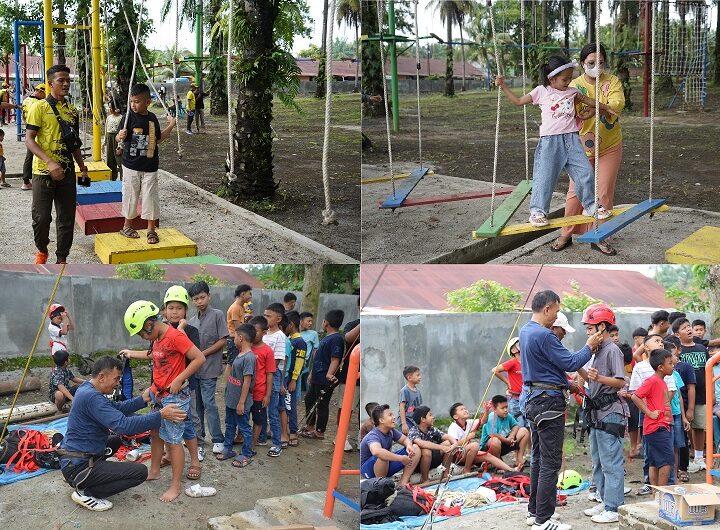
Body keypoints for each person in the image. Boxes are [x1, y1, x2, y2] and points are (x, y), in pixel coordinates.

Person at [495, 55, 616, 228]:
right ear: (551, 78)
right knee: (545, 177)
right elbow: (518, 101)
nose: (568, 82)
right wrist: (503, 86)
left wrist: (605, 107)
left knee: (585, 173)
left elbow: (588, 100)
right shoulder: (541, 91)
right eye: (564, 79)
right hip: (550, 141)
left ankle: (591, 206)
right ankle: (538, 211)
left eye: (570, 78)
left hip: (573, 139)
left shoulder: (572, 92)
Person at [519, 290, 603, 530]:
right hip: (547, 403)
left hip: (533, 400)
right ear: (547, 308)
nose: (556, 316)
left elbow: (542, 369)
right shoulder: (544, 335)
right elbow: (570, 363)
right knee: (550, 462)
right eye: (556, 311)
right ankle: (543, 520)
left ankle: (535, 512)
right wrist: (589, 346)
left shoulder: (526, 331)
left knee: (538, 458)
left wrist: (568, 384)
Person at [59, 356, 186, 511]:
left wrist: (142, 399)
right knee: (139, 472)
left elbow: (116, 408)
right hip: (78, 465)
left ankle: (88, 477)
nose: (118, 382)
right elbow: (123, 425)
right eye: (116, 378)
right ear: (102, 377)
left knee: (114, 441)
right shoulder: (92, 397)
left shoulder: (87, 387)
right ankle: (86, 491)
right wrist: (160, 415)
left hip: (73, 457)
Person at [119, 299, 204, 502]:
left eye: (142, 333)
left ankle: (175, 485)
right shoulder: (156, 339)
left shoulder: (175, 336)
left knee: (174, 441)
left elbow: (199, 358)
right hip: (158, 393)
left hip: (175, 396)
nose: (142, 337)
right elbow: (156, 358)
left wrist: (179, 378)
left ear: (150, 323)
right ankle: (155, 470)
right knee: (155, 433)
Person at [553, 43, 626, 256]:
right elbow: (563, 108)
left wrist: (591, 109)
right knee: (576, 193)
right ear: (583, 63)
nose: (596, 66)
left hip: (609, 145)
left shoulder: (612, 82)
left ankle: (600, 236)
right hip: (580, 148)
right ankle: (566, 234)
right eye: (591, 63)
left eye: (601, 63)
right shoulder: (572, 85)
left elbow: (617, 104)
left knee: (603, 192)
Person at [25, 64, 89, 264]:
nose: (66, 84)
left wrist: (82, 166)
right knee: (41, 218)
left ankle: (62, 258)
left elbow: (73, 142)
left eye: (68, 80)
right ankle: (42, 249)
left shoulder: (72, 110)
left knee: (66, 219)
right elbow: (29, 139)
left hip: (67, 172)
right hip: (43, 172)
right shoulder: (39, 107)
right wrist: (50, 162)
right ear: (50, 83)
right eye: (61, 80)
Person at [580, 303, 626, 524]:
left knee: (611, 461)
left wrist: (598, 378)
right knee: (598, 460)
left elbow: (619, 382)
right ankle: (604, 498)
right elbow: (590, 378)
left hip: (610, 412)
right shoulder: (596, 351)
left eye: (590, 328)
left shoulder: (612, 350)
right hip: (597, 413)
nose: (587, 332)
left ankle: (614, 507)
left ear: (602, 326)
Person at [116, 83, 176, 245]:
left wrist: (171, 125)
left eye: (136, 101)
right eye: (131, 102)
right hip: (130, 165)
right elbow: (118, 138)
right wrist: (119, 135)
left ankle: (151, 229)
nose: (133, 105)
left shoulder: (152, 118)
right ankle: (127, 226)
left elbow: (157, 139)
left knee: (150, 197)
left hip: (150, 166)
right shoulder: (127, 117)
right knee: (130, 195)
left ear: (147, 102)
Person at [161, 285, 204, 477]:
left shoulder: (191, 331)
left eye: (179, 308)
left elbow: (194, 355)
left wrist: (182, 329)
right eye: (171, 308)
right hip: (166, 388)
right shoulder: (160, 330)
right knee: (167, 423)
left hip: (186, 386)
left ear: (186, 311)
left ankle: (195, 462)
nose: (175, 312)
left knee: (188, 423)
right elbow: (154, 355)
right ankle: (170, 455)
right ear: (164, 310)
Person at [629, 333, 678, 495]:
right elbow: (636, 396)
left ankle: (656, 494)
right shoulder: (652, 380)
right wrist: (649, 412)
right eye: (670, 363)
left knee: (655, 461)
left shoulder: (662, 381)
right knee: (666, 461)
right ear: (660, 367)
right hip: (656, 427)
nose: (673, 366)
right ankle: (662, 494)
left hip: (660, 426)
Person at [186, 281, 227, 458]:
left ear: (209, 296)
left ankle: (218, 439)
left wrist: (202, 354)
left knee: (209, 403)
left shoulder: (217, 315)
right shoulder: (191, 322)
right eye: (196, 299)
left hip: (210, 368)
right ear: (192, 301)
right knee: (198, 407)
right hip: (195, 370)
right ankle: (199, 441)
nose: (200, 301)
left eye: (202, 297)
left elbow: (223, 341)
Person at [301, 309, 345, 441]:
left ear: (326, 323)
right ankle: (310, 426)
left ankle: (319, 432)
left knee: (322, 404)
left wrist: (330, 374)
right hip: (317, 376)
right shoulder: (327, 338)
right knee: (309, 399)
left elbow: (335, 359)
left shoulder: (336, 339)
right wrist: (311, 374)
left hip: (325, 379)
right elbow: (318, 358)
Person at [673, 317, 710, 471]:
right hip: (682, 396)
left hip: (701, 394)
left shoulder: (702, 348)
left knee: (699, 426)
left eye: (689, 326)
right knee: (686, 426)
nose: (688, 329)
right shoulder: (677, 351)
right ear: (676, 334)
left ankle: (699, 457)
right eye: (684, 328)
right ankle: (688, 457)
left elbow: (708, 369)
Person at [218, 324, 256, 468]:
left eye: (234, 338)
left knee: (244, 427)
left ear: (241, 338)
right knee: (230, 425)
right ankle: (228, 448)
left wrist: (241, 402)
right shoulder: (239, 354)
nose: (232, 340)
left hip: (241, 402)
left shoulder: (249, 358)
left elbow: (247, 382)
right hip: (231, 400)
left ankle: (247, 453)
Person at [360, 404, 421, 487]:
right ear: (381, 420)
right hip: (369, 471)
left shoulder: (391, 431)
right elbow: (376, 451)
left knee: (415, 448)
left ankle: (403, 483)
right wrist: (401, 458)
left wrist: (409, 446)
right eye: (390, 415)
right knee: (383, 455)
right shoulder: (373, 435)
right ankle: (381, 486)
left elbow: (405, 439)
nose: (394, 417)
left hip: (386, 465)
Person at [447, 402, 516, 474]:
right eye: (461, 409)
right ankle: (466, 470)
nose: (465, 410)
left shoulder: (469, 422)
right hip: (458, 456)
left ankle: (511, 470)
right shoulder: (453, 427)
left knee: (487, 455)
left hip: (468, 453)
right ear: (455, 416)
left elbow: (483, 421)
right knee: (474, 445)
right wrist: (468, 437)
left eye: (465, 408)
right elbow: (454, 445)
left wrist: (486, 410)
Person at [664, 338, 692, 483]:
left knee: (676, 447)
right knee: (667, 447)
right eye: (672, 355)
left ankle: (674, 476)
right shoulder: (660, 375)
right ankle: (666, 477)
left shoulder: (676, 374)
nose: (675, 358)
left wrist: (683, 417)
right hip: (664, 415)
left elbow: (680, 397)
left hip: (676, 414)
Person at [261, 303, 287, 456]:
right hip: (262, 375)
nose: (265, 318)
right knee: (261, 409)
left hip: (273, 376)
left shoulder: (280, 337)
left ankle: (277, 443)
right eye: (264, 315)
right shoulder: (264, 334)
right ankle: (262, 437)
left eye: (268, 316)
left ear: (278, 318)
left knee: (273, 412)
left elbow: (276, 363)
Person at [408, 406, 458, 483]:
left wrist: (454, 443)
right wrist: (441, 448)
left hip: (432, 460)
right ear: (423, 419)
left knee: (448, 443)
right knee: (426, 451)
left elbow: (447, 436)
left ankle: (445, 474)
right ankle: (425, 479)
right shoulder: (413, 430)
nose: (433, 417)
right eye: (430, 415)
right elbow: (422, 444)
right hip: (419, 464)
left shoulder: (431, 429)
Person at [479, 395, 529, 471]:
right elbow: (492, 434)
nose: (505, 410)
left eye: (506, 407)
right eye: (502, 408)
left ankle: (519, 459)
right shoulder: (492, 417)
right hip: (489, 449)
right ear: (494, 409)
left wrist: (511, 436)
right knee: (495, 440)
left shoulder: (507, 416)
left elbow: (515, 426)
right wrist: (507, 440)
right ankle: (499, 464)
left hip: (504, 443)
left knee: (524, 431)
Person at [248, 315, 275, 453]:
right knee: (242, 416)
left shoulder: (267, 351)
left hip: (259, 393)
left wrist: (268, 395)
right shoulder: (246, 347)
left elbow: (270, 374)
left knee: (258, 420)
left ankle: (253, 443)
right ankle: (243, 438)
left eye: (256, 331)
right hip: (245, 392)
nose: (252, 334)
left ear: (264, 332)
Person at [336, 311, 360, 451]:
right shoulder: (352, 325)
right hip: (350, 375)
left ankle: (361, 436)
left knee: (367, 409)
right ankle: (341, 437)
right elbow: (348, 338)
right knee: (345, 407)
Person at [283, 311, 307, 448]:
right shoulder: (290, 339)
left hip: (291, 378)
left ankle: (293, 432)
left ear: (291, 325)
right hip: (286, 377)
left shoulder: (300, 342)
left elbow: (300, 362)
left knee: (290, 405)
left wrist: (293, 379)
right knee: (283, 405)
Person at [492, 337, 525, 427]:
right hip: (515, 400)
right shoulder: (513, 362)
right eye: (519, 344)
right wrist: (507, 382)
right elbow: (495, 370)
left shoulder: (526, 362)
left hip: (526, 398)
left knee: (529, 425)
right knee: (517, 425)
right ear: (513, 350)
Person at [20, 83, 47, 190]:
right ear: (40, 91)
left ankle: (27, 180)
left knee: (30, 155)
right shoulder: (37, 103)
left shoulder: (26, 100)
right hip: (36, 131)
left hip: (29, 128)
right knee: (32, 155)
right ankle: (26, 181)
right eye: (44, 94)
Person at [226, 284, 253, 370]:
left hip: (238, 339)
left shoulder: (241, 307)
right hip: (234, 339)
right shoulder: (235, 308)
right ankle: (227, 383)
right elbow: (238, 328)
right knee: (231, 364)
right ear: (243, 294)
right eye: (249, 294)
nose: (250, 297)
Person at [299, 311, 320, 395]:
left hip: (305, 365)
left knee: (307, 392)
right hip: (294, 363)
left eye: (311, 321)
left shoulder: (313, 334)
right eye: (308, 321)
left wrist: (313, 367)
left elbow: (316, 351)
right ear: (301, 321)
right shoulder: (294, 333)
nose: (310, 323)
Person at [398, 365, 423, 435]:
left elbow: (419, 408)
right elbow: (401, 408)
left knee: (416, 441)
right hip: (407, 420)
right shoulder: (404, 391)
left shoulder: (418, 391)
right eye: (418, 375)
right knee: (409, 441)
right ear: (409, 378)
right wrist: (404, 424)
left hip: (414, 421)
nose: (420, 377)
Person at [104, 100, 123, 181]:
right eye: (109, 107)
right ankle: (112, 179)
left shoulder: (121, 118)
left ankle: (123, 179)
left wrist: (120, 146)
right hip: (109, 138)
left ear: (115, 108)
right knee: (110, 160)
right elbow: (106, 130)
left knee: (119, 160)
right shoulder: (109, 117)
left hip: (117, 139)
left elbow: (122, 133)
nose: (109, 109)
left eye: (111, 107)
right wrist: (104, 142)